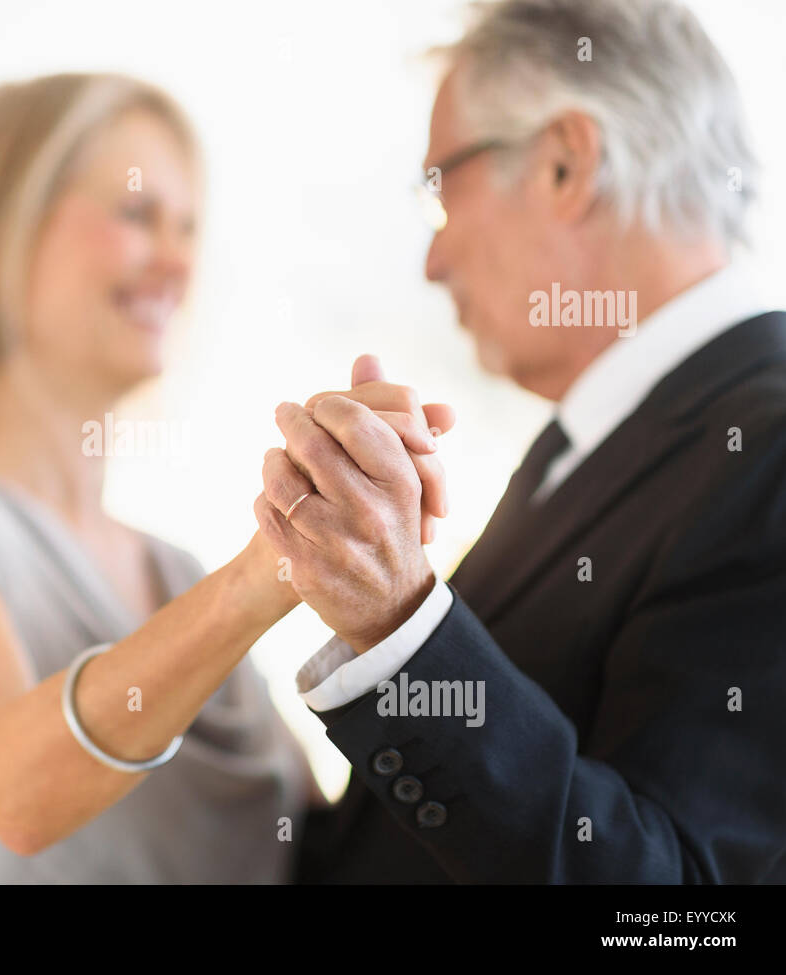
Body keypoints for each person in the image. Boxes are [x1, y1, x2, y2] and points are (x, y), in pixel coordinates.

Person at [0, 72, 454, 882]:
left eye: (189, 227)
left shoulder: (176, 573)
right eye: (136, 214)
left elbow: (337, 857)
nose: (176, 261)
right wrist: (274, 564)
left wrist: (380, 555)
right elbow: (11, 795)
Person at [261, 0, 786, 883]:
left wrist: (399, 623)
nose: (431, 262)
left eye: (442, 187)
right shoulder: (585, 445)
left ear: (564, 164)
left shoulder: (767, 449)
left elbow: (683, 908)